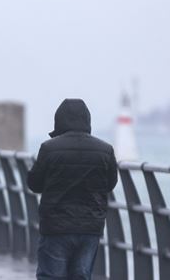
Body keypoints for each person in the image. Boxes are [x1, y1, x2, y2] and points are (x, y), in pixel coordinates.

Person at [28, 98, 118, 280]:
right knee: (81, 276)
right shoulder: (105, 150)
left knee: (51, 276)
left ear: (59, 120)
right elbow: (110, 184)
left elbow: (34, 184)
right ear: (87, 120)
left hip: (56, 227)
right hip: (90, 227)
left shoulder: (49, 148)